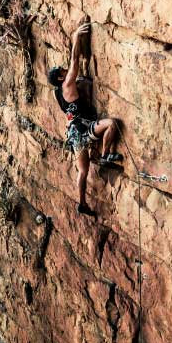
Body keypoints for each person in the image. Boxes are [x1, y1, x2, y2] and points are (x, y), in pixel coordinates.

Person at [47, 22, 122, 216]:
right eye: (62, 71)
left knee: (83, 171)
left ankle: (82, 203)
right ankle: (105, 155)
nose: (65, 70)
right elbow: (74, 61)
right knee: (112, 124)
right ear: (61, 79)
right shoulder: (68, 85)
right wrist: (76, 37)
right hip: (85, 129)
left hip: (74, 135)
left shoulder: (58, 94)